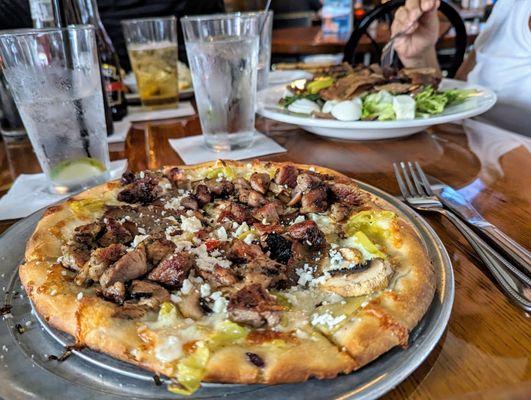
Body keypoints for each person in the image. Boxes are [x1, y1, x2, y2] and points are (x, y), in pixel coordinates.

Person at [391, 0, 531, 136]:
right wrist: (420, 57)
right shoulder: (508, 5)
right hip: (460, 144)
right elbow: (462, 95)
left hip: (500, 155)